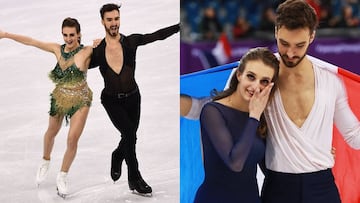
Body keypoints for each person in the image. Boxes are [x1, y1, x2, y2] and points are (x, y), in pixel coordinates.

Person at [181, 0, 360, 202]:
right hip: (277, 188)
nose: (291, 53)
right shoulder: (257, 74)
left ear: (312, 36)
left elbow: (354, 135)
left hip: (322, 187)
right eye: (284, 43)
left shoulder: (330, 82)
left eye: (299, 45)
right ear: (276, 32)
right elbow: (212, 110)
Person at [89, 3, 179, 195]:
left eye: (116, 19)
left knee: (130, 137)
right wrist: (81, 48)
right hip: (112, 101)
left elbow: (156, 35)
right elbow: (80, 62)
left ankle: (118, 154)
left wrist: (179, 26)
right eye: (110, 20)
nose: (114, 23)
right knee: (130, 134)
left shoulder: (131, 42)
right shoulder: (97, 51)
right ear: (102, 22)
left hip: (133, 98)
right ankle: (135, 178)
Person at [0, 18, 93, 198]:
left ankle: (63, 175)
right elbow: (32, 42)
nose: (68, 39)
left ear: (79, 34)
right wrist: (5, 35)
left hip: (81, 99)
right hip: (60, 97)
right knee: (51, 132)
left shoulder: (87, 51)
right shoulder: (57, 49)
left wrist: (100, 41)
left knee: (72, 139)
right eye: (65, 35)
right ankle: (45, 160)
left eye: (72, 35)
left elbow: (109, 47)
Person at [193, 47, 279, 203]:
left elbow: (270, 169)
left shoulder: (261, 115)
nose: (255, 86)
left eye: (264, 81)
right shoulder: (212, 111)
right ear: (239, 74)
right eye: (251, 77)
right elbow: (235, 163)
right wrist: (253, 116)